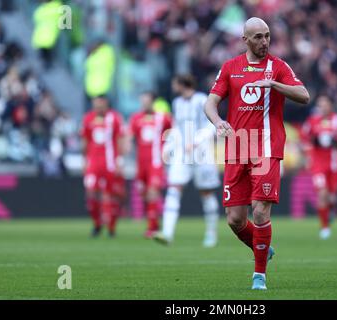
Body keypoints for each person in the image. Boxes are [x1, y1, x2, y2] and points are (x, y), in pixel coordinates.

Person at [204, 17, 310, 290]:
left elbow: (303, 95)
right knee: (235, 220)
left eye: (267, 36)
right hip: (237, 148)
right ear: (245, 40)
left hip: (266, 149)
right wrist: (218, 122)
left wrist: (275, 86)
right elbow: (211, 103)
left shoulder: (278, 67)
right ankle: (262, 247)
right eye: (259, 37)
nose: (265, 42)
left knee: (261, 212)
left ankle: (259, 275)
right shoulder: (230, 68)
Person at [153, 74, 221, 248]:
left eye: (175, 83)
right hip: (182, 154)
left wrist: (197, 141)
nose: (173, 86)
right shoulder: (176, 103)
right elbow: (176, 128)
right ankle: (167, 234)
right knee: (174, 190)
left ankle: (211, 234)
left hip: (201, 154)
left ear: (182, 84)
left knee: (206, 194)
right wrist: (168, 147)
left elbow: (211, 124)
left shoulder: (201, 100)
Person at [302, 95, 337, 239]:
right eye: (320, 105)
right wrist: (311, 142)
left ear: (330, 105)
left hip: (334, 164)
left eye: (325, 104)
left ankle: (331, 210)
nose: (322, 107)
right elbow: (304, 136)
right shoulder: (312, 121)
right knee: (322, 194)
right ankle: (324, 228)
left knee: (332, 197)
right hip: (318, 164)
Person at [129, 92, 172, 238]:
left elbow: (173, 133)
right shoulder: (136, 118)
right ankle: (154, 221)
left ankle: (152, 227)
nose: (144, 103)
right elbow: (130, 137)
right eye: (142, 101)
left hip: (156, 162)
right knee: (145, 194)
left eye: (146, 101)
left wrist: (169, 150)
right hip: (141, 163)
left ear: (153, 102)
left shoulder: (163, 118)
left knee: (153, 192)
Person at [81, 96, 125, 237]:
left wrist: (120, 160)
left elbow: (120, 140)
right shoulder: (88, 118)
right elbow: (85, 141)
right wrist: (84, 160)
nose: (98, 108)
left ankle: (111, 227)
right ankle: (97, 224)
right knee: (91, 193)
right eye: (95, 105)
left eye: (100, 105)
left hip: (110, 163)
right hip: (93, 163)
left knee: (110, 195)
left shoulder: (115, 118)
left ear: (106, 105)